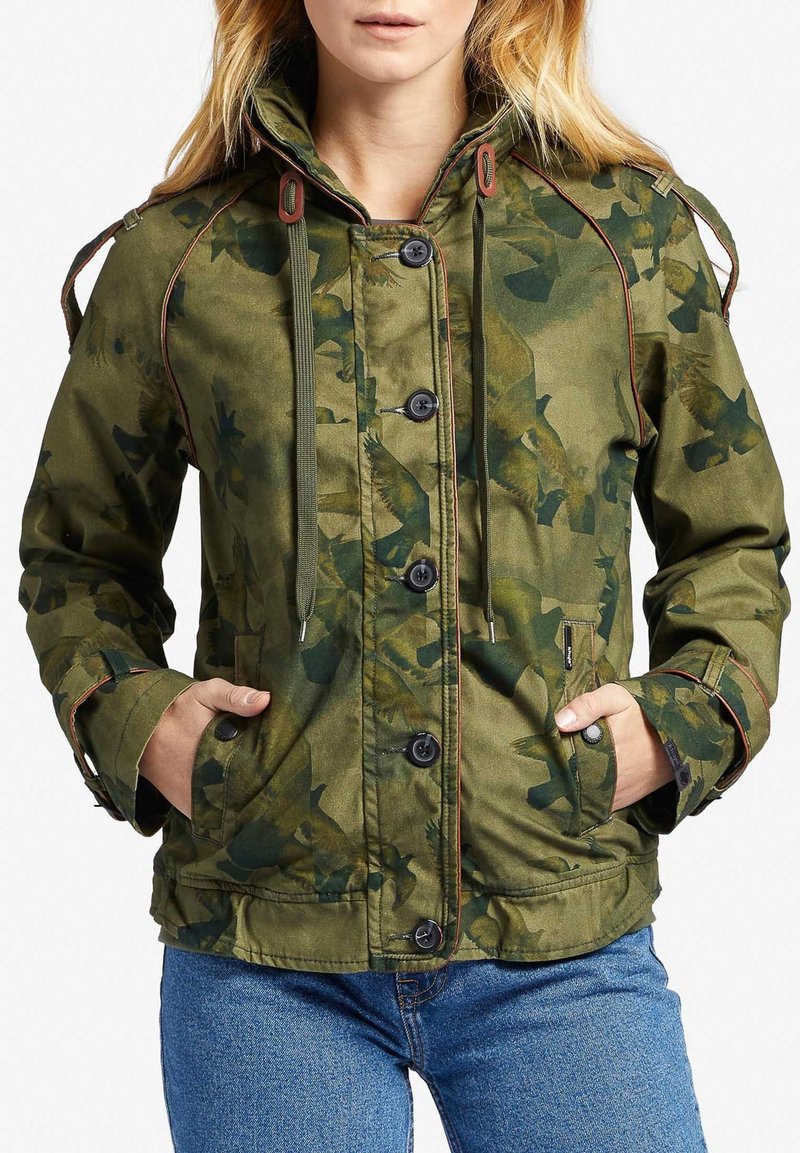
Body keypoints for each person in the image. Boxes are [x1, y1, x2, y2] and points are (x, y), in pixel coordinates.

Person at [17, 2, 791, 1150]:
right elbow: (78, 553)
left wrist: (682, 722)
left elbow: (728, 539)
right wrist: (137, 719)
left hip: (556, 932)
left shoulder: (623, 239)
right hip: (265, 949)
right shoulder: (180, 256)